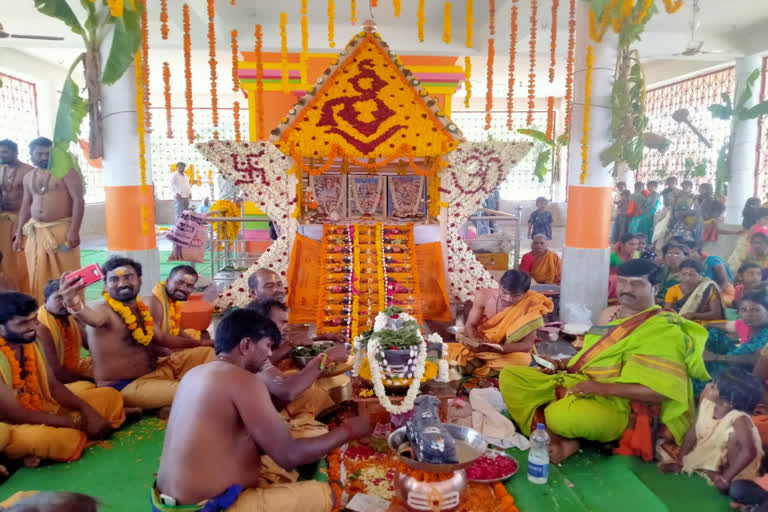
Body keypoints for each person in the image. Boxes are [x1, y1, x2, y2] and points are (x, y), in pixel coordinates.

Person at [153, 309, 372, 511]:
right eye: (267, 346)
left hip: (168, 502)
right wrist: (350, 430)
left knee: (287, 456)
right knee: (329, 495)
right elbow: (289, 455)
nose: (269, 354)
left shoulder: (196, 374)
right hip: (207, 507)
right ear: (246, 345)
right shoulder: (242, 379)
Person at [499, 259, 710, 463]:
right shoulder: (608, 315)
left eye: (636, 284)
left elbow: (662, 391)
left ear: (655, 289)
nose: (626, 289)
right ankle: (562, 438)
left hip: (622, 406)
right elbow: (593, 356)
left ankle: (568, 436)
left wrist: (599, 388)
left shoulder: (664, 330)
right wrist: (559, 364)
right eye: (622, 282)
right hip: (581, 383)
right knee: (510, 376)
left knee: (560, 416)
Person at [57, 256, 214, 413]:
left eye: (128, 277)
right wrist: (73, 303)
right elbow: (92, 319)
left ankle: (164, 403)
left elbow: (157, 339)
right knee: (196, 390)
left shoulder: (140, 307)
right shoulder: (102, 311)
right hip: (126, 385)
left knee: (208, 353)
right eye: (114, 279)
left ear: (139, 280)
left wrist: (194, 347)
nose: (122, 283)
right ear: (106, 284)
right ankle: (159, 403)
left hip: (157, 370)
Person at [0, 292, 125, 464]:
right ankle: (22, 454)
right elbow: (15, 414)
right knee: (55, 438)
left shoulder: (32, 342)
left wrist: (88, 412)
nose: (34, 327)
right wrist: (72, 422)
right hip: (11, 425)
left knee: (109, 396)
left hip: (43, 406)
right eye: (23, 323)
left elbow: (53, 385)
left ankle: (41, 451)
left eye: (34, 319)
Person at [661, 368, 762, 496]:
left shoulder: (739, 418)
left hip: (737, 466)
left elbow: (748, 451)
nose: (708, 386)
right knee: (692, 454)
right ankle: (709, 471)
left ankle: (726, 479)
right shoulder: (707, 404)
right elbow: (693, 431)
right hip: (714, 452)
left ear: (728, 402)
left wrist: (726, 478)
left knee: (734, 436)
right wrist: (681, 460)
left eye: (713, 387)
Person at [12, 138, 84, 302]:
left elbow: (78, 200)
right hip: (36, 231)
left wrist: (74, 231)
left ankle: (74, 312)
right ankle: (43, 311)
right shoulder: (28, 177)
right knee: (37, 272)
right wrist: (18, 232)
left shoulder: (67, 172)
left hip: (61, 231)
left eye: (48, 153)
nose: (44, 157)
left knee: (67, 273)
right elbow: (26, 204)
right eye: (39, 154)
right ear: (31, 155)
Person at [447, 270, 554, 377]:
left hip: (510, 351)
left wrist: (500, 348)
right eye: (504, 292)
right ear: (499, 285)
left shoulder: (531, 304)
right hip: (483, 344)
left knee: (523, 360)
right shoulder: (484, 295)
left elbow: (527, 345)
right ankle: (485, 364)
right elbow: (470, 325)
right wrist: (476, 343)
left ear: (525, 293)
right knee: (448, 352)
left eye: (515, 296)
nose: (508, 299)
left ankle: (478, 366)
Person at [704, 291, 768, 384]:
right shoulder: (744, 324)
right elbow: (718, 325)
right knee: (713, 333)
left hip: (751, 376)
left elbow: (755, 360)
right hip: (733, 362)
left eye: (756, 310)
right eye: (743, 310)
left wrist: (715, 357)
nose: (748, 314)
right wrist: (705, 327)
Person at [36, 279, 93, 384]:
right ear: (45, 300)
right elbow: (57, 374)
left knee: (107, 365)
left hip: (73, 369)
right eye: (59, 298)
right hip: (53, 382)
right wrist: (92, 380)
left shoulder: (69, 317)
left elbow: (91, 346)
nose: (66, 302)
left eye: (68, 298)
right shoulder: (41, 326)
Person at [0, 139, 33, 294]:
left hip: (21, 219)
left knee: (21, 259)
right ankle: (10, 291)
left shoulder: (28, 171)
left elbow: (34, 199)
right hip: (3, 220)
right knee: (5, 259)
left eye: (5, 151)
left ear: (15, 152)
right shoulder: (1, 168)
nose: (1, 155)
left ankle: (26, 292)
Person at [149, 265, 212, 344]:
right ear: (167, 281)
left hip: (169, 344)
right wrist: (200, 344)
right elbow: (158, 338)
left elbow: (175, 327)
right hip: (160, 352)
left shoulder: (173, 300)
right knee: (208, 351)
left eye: (189, 285)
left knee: (199, 334)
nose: (183, 288)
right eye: (179, 282)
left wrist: (194, 341)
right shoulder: (155, 302)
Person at [664, 259, 724, 323]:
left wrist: (694, 315)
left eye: (691, 275)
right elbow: (667, 311)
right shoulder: (673, 290)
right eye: (683, 274)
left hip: (705, 324)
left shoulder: (708, 287)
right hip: (680, 321)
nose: (687, 278)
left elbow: (716, 314)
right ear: (679, 275)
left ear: (700, 275)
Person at [684, 240, 736, 307]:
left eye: (686, 253)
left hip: (723, 294)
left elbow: (724, 284)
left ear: (694, 250)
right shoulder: (693, 266)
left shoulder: (713, 260)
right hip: (707, 297)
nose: (685, 256)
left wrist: (709, 298)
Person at [727, 201, 765, 271]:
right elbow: (749, 239)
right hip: (753, 250)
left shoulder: (765, 228)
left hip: (762, 251)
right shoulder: (754, 228)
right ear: (757, 220)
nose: (767, 220)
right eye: (765, 218)